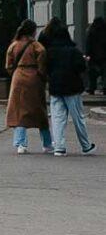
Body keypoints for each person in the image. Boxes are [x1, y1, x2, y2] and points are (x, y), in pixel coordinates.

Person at [41, 18, 96, 157]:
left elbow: (45, 69)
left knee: (57, 118)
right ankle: (86, 146)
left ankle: (59, 147)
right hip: (72, 88)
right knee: (78, 118)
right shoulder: (73, 51)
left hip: (55, 87)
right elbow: (81, 67)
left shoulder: (50, 52)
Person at [5, 19, 52, 155]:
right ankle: (47, 144)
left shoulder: (14, 45)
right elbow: (43, 60)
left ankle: (21, 144)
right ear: (33, 31)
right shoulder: (37, 46)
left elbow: (8, 66)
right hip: (34, 78)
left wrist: (16, 73)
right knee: (40, 111)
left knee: (19, 112)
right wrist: (41, 75)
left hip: (18, 78)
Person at [87, 17, 106, 94]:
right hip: (104, 56)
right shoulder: (104, 31)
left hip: (93, 56)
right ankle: (105, 87)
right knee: (104, 72)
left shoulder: (91, 31)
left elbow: (88, 44)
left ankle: (92, 88)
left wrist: (87, 54)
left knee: (92, 73)